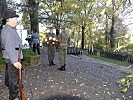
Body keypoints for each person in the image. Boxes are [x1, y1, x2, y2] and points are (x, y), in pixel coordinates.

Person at [1, 9, 23, 100]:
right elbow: (10, 46)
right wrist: (15, 61)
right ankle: (14, 97)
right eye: (15, 18)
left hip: (9, 57)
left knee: (10, 77)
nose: (16, 20)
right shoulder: (9, 30)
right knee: (13, 79)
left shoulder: (7, 29)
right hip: (12, 58)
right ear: (9, 19)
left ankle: (12, 90)